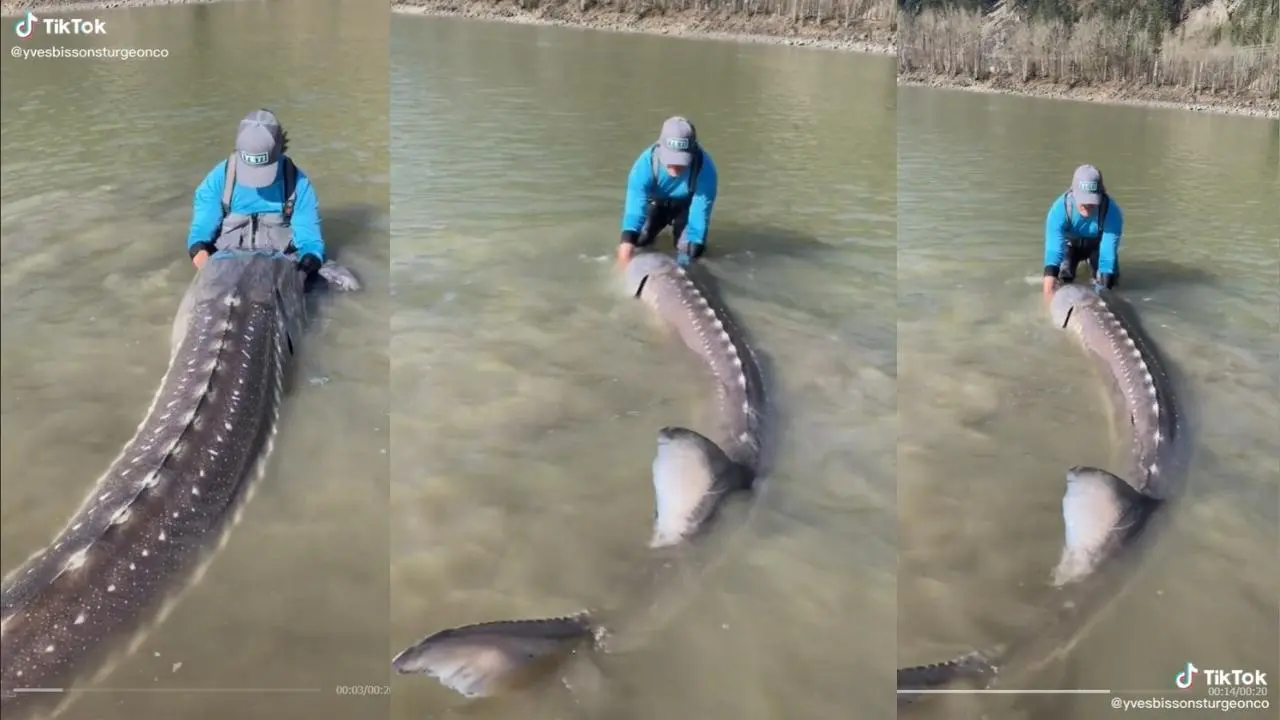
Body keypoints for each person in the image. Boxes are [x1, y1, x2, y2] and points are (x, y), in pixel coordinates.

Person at [185, 109, 325, 277]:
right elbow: (200, 235)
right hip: (227, 266)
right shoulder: (217, 181)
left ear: (280, 149)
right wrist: (206, 267)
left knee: (346, 280)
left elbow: (310, 242)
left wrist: (308, 264)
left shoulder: (298, 184)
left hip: (280, 267)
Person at [615, 116, 719, 269]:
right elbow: (634, 212)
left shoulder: (705, 170)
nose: (676, 166)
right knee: (637, 242)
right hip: (656, 204)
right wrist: (624, 255)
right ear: (660, 147)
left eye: (682, 160)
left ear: (693, 151)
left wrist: (692, 255)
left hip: (686, 208)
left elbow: (699, 219)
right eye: (671, 158)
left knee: (689, 253)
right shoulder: (645, 165)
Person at [1042, 164, 1124, 301]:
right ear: (1073, 192)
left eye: (1092, 200)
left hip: (1097, 247)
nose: (1087, 205)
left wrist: (1106, 296)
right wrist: (1047, 296)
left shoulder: (1112, 212)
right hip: (1070, 246)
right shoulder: (1059, 211)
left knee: (1111, 284)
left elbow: (1107, 256)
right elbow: (1053, 254)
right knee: (1063, 281)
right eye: (1083, 199)